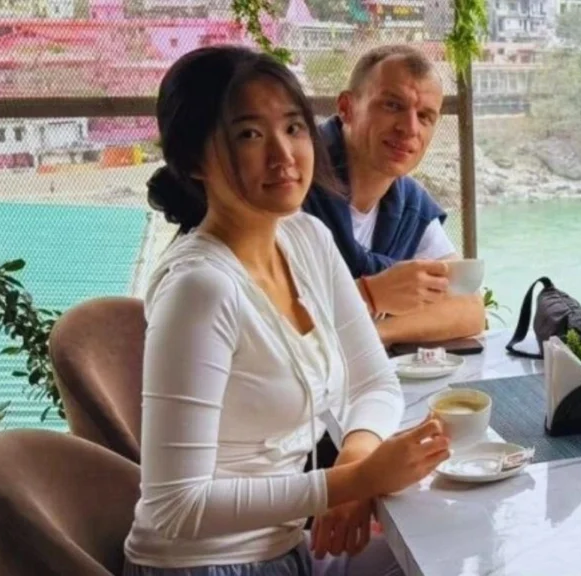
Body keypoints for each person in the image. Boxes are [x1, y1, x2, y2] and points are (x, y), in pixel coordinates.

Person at [124, 46, 451, 576]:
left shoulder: (304, 236)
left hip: (285, 548)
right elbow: (174, 506)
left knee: (451, 550)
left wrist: (356, 456)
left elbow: (376, 384)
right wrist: (353, 483)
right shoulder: (201, 288)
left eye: (294, 128)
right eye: (249, 135)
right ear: (191, 160)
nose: (284, 155)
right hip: (205, 566)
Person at [303, 45, 486, 347]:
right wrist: (373, 295)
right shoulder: (294, 183)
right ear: (346, 108)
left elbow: (469, 309)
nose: (409, 128)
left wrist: (374, 335)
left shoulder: (410, 206)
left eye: (425, 116)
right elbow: (265, 314)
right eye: (392, 106)